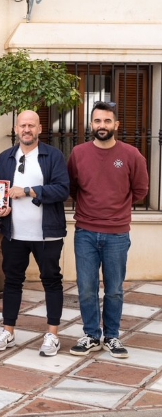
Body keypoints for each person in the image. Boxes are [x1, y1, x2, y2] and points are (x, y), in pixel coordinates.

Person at [68, 101, 149, 358]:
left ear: (116, 125)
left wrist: (117, 208)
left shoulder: (131, 155)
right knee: (87, 287)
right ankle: (92, 335)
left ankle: (112, 336)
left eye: (106, 121)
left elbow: (140, 190)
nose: (101, 126)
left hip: (117, 234)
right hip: (85, 233)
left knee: (114, 289)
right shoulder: (78, 154)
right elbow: (72, 188)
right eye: (97, 121)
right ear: (91, 124)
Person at [0, 110, 69, 357]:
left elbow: (62, 190)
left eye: (31, 126)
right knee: (13, 281)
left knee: (51, 281)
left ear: (39, 129)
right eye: (22, 125)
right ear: (16, 129)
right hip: (14, 234)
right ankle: (8, 331)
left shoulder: (53, 156)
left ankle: (52, 335)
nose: (26, 130)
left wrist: (28, 190)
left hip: (48, 235)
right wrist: (0, 209)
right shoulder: (5, 157)